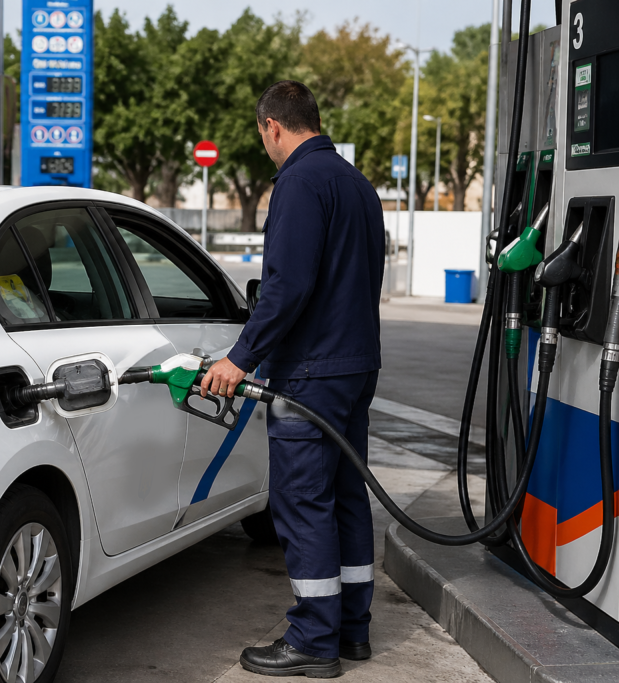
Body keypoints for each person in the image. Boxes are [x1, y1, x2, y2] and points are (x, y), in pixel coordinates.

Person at [200, 80, 384, 678]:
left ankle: (312, 640)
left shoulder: (299, 183)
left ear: (272, 126)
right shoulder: (357, 184)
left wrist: (239, 358)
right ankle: (352, 630)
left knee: (303, 501)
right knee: (346, 497)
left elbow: (287, 286)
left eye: (262, 136)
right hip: (355, 366)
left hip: (309, 371)